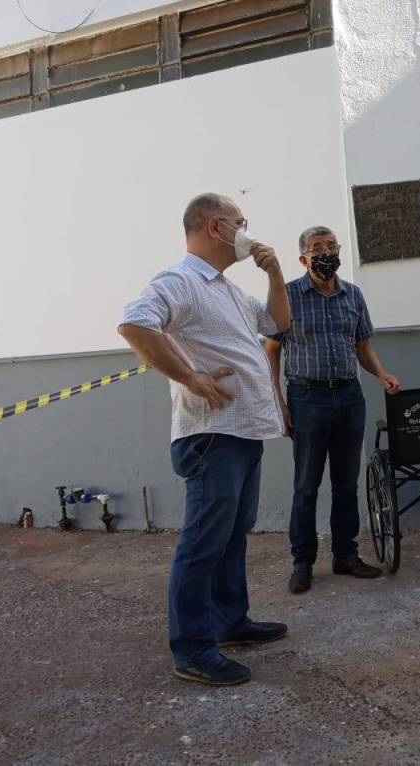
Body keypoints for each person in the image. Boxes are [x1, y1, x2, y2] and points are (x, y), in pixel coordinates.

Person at [119, 193, 292, 686]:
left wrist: (275, 274)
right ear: (216, 227)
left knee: (232, 534)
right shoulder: (181, 280)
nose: (246, 228)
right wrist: (189, 376)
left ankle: (231, 622)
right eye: (241, 221)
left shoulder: (227, 289)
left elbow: (278, 323)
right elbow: (134, 322)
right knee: (203, 542)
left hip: (243, 431)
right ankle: (194, 649)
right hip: (213, 435)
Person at [264, 226, 400, 594]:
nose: (325, 253)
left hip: (349, 396)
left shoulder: (353, 295)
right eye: (316, 248)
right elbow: (271, 351)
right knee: (306, 485)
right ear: (303, 258)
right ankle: (302, 562)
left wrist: (381, 373)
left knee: (346, 482)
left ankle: (345, 554)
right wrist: (278, 403)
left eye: (330, 246)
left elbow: (362, 346)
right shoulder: (287, 295)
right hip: (307, 399)